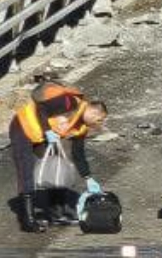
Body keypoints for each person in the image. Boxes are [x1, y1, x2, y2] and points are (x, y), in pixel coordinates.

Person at [9, 82, 108, 232]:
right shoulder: (69, 102)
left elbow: (78, 154)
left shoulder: (81, 127)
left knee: (57, 167)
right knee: (26, 171)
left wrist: (88, 177)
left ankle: (55, 214)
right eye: (99, 120)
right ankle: (28, 222)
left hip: (40, 136)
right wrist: (48, 130)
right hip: (22, 128)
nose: (98, 125)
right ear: (94, 112)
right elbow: (41, 107)